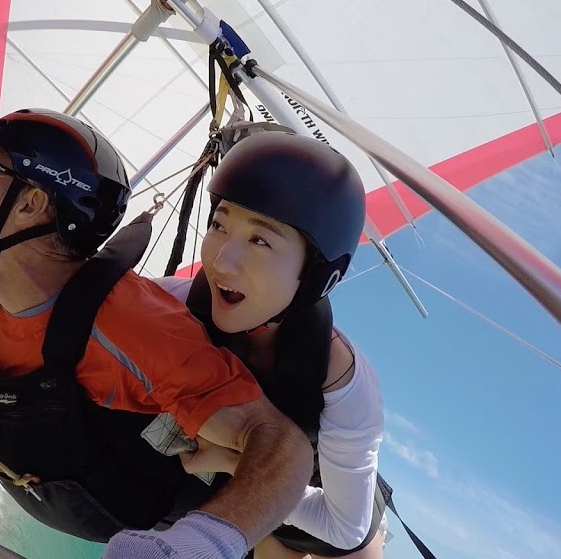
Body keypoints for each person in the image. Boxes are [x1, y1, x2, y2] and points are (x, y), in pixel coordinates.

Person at [0, 108, 314, 559]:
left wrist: (201, 541)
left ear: (30, 204)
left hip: (152, 515)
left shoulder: (131, 325)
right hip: (55, 497)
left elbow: (284, 445)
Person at [152, 130, 388, 558]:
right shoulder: (168, 305)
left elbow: (343, 529)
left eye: (260, 240)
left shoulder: (344, 382)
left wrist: (234, 464)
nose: (222, 261)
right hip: (255, 493)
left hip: (326, 507)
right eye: (219, 225)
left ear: (316, 273)